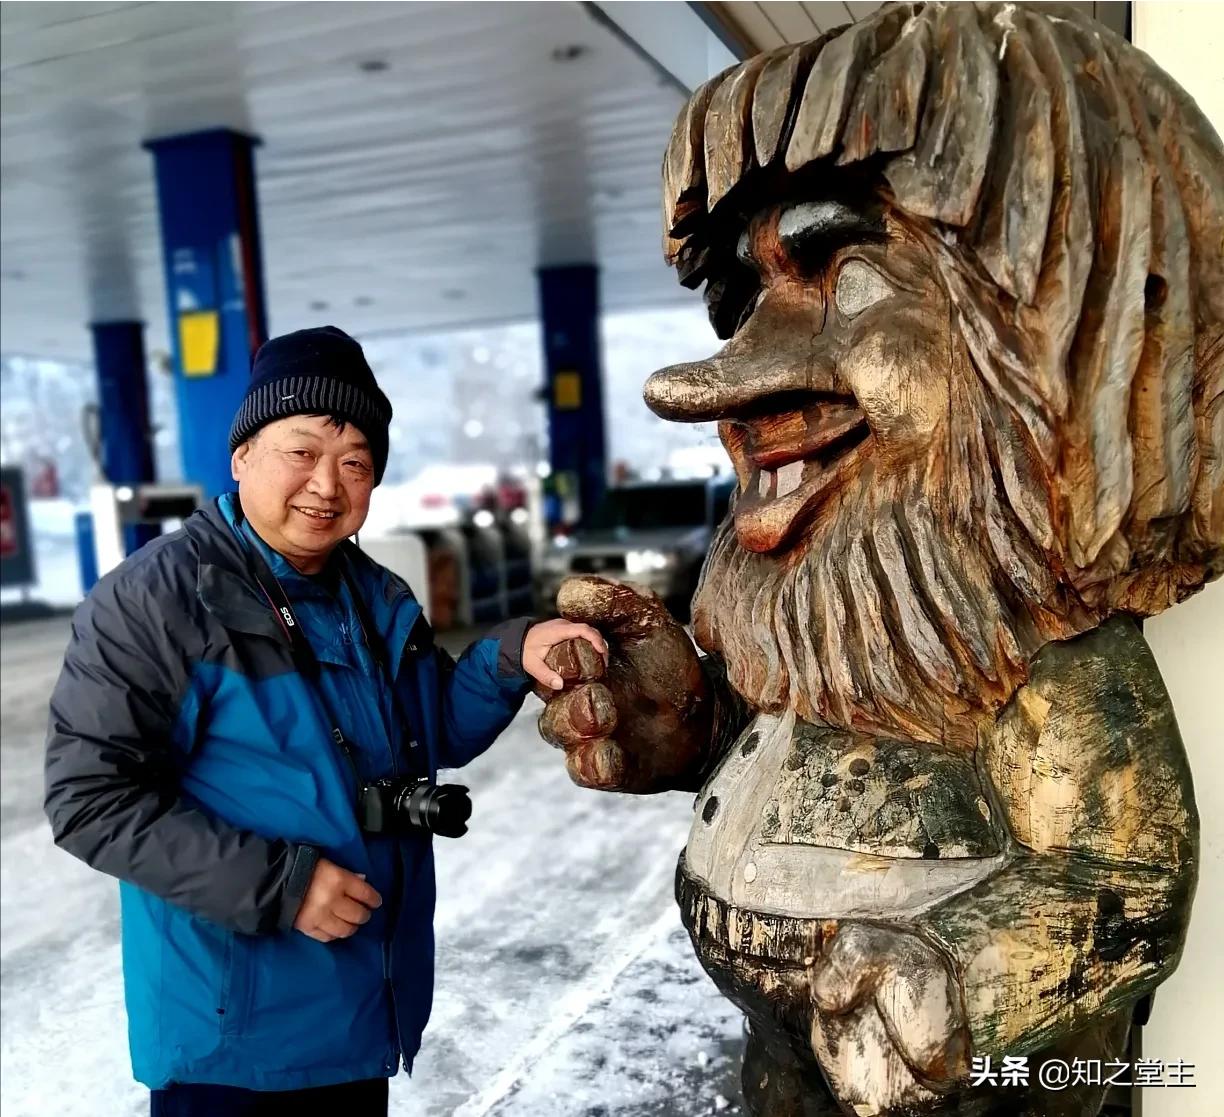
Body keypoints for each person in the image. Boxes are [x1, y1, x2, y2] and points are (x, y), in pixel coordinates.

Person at [44, 325, 606, 1116]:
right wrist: (282, 885)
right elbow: (91, 799)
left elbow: (430, 727)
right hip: (232, 1042)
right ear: (242, 458)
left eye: (355, 463)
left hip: (358, 1010)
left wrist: (513, 654)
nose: (326, 484)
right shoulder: (157, 601)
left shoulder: (372, 594)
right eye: (301, 451)